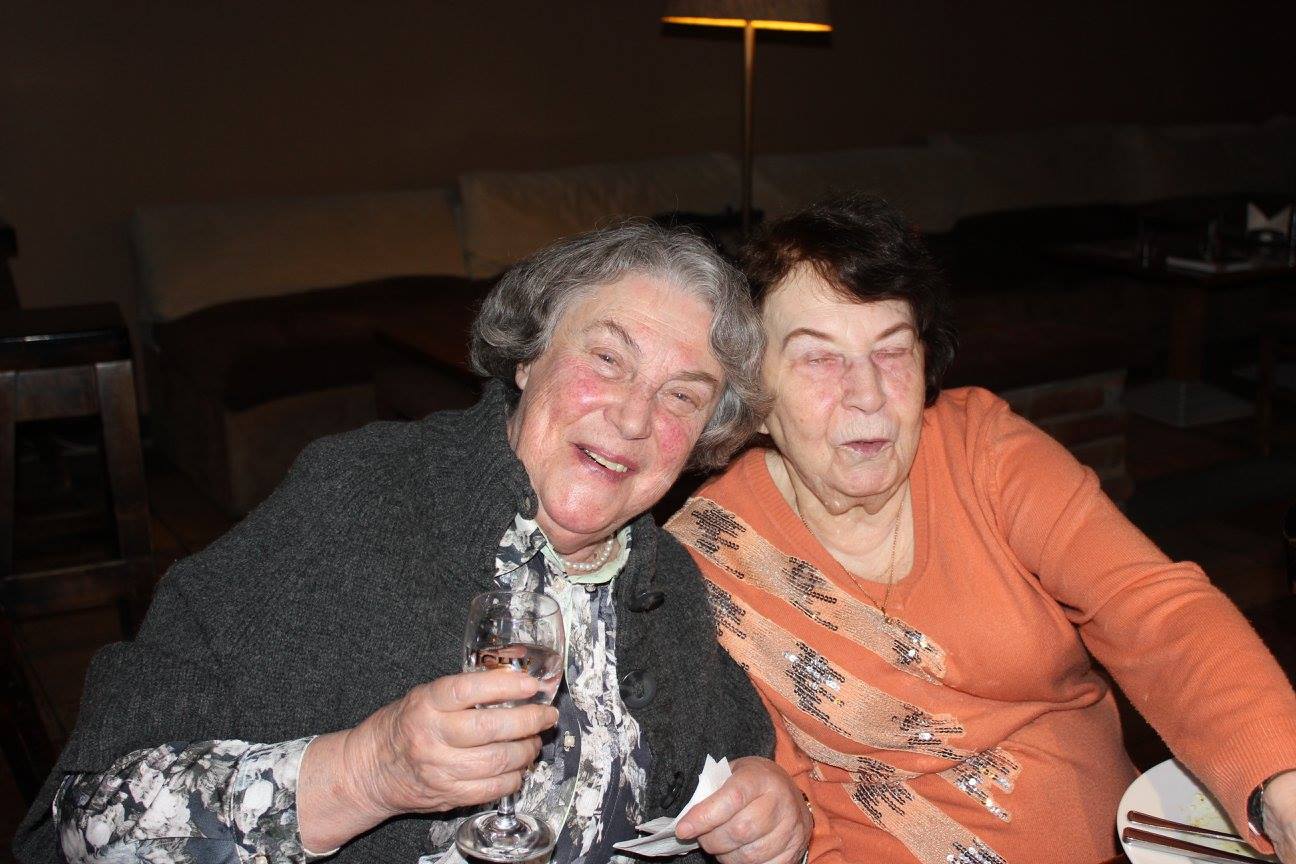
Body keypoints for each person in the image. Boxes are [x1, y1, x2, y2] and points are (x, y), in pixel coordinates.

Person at [15, 223, 812, 864]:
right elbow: (93, 823)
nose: (635, 418)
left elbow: (738, 772)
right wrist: (372, 770)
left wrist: (767, 804)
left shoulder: (666, 585)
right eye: (607, 359)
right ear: (529, 359)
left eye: (682, 397)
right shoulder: (360, 498)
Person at [666, 194, 1296, 864]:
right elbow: (784, 804)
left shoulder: (982, 451)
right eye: (819, 359)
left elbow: (1153, 610)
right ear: (754, 393)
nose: (869, 395)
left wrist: (1280, 779)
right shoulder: (709, 558)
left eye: (892, 351)